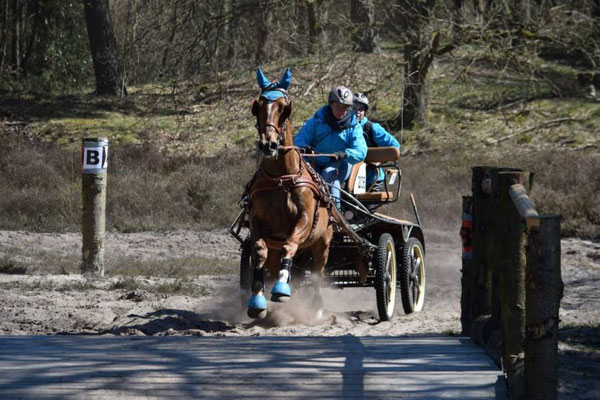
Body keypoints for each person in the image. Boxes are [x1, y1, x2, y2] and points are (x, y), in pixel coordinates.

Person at [293, 86, 367, 209]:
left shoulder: (354, 126)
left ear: (349, 108)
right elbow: (300, 140)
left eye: (344, 107)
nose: (341, 110)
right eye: (337, 106)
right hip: (314, 161)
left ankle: (334, 219)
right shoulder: (317, 120)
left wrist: (345, 154)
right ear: (331, 104)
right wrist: (303, 147)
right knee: (304, 179)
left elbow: (361, 151)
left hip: (340, 163)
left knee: (329, 176)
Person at [352, 92, 400, 193]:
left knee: (366, 208)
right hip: (348, 179)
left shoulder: (372, 128)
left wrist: (379, 160)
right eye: (354, 108)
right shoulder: (342, 129)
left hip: (372, 180)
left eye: (361, 109)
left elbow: (395, 147)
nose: (357, 112)